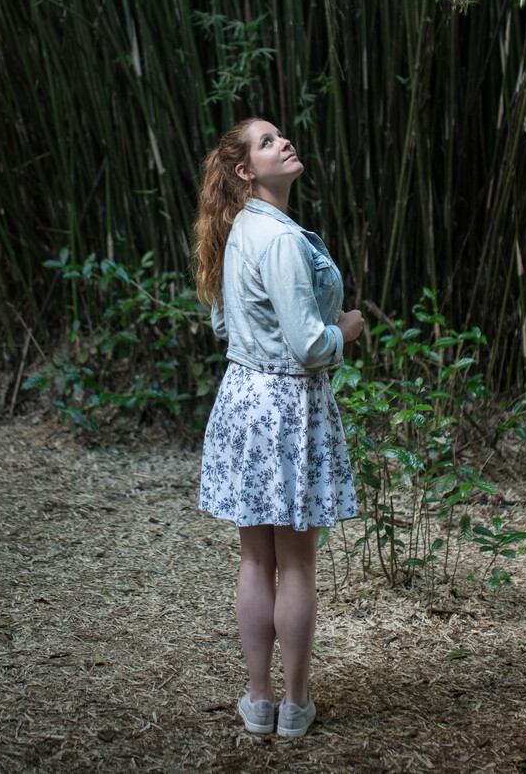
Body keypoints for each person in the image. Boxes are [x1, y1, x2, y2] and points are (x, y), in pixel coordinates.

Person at [191, 117, 365, 738]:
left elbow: (223, 326)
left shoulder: (235, 229)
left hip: (243, 399)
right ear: (245, 170)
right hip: (289, 406)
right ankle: (294, 705)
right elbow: (309, 346)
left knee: (254, 559)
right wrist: (344, 329)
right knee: (294, 565)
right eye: (267, 142)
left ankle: (258, 700)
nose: (283, 142)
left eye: (280, 136)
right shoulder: (283, 239)